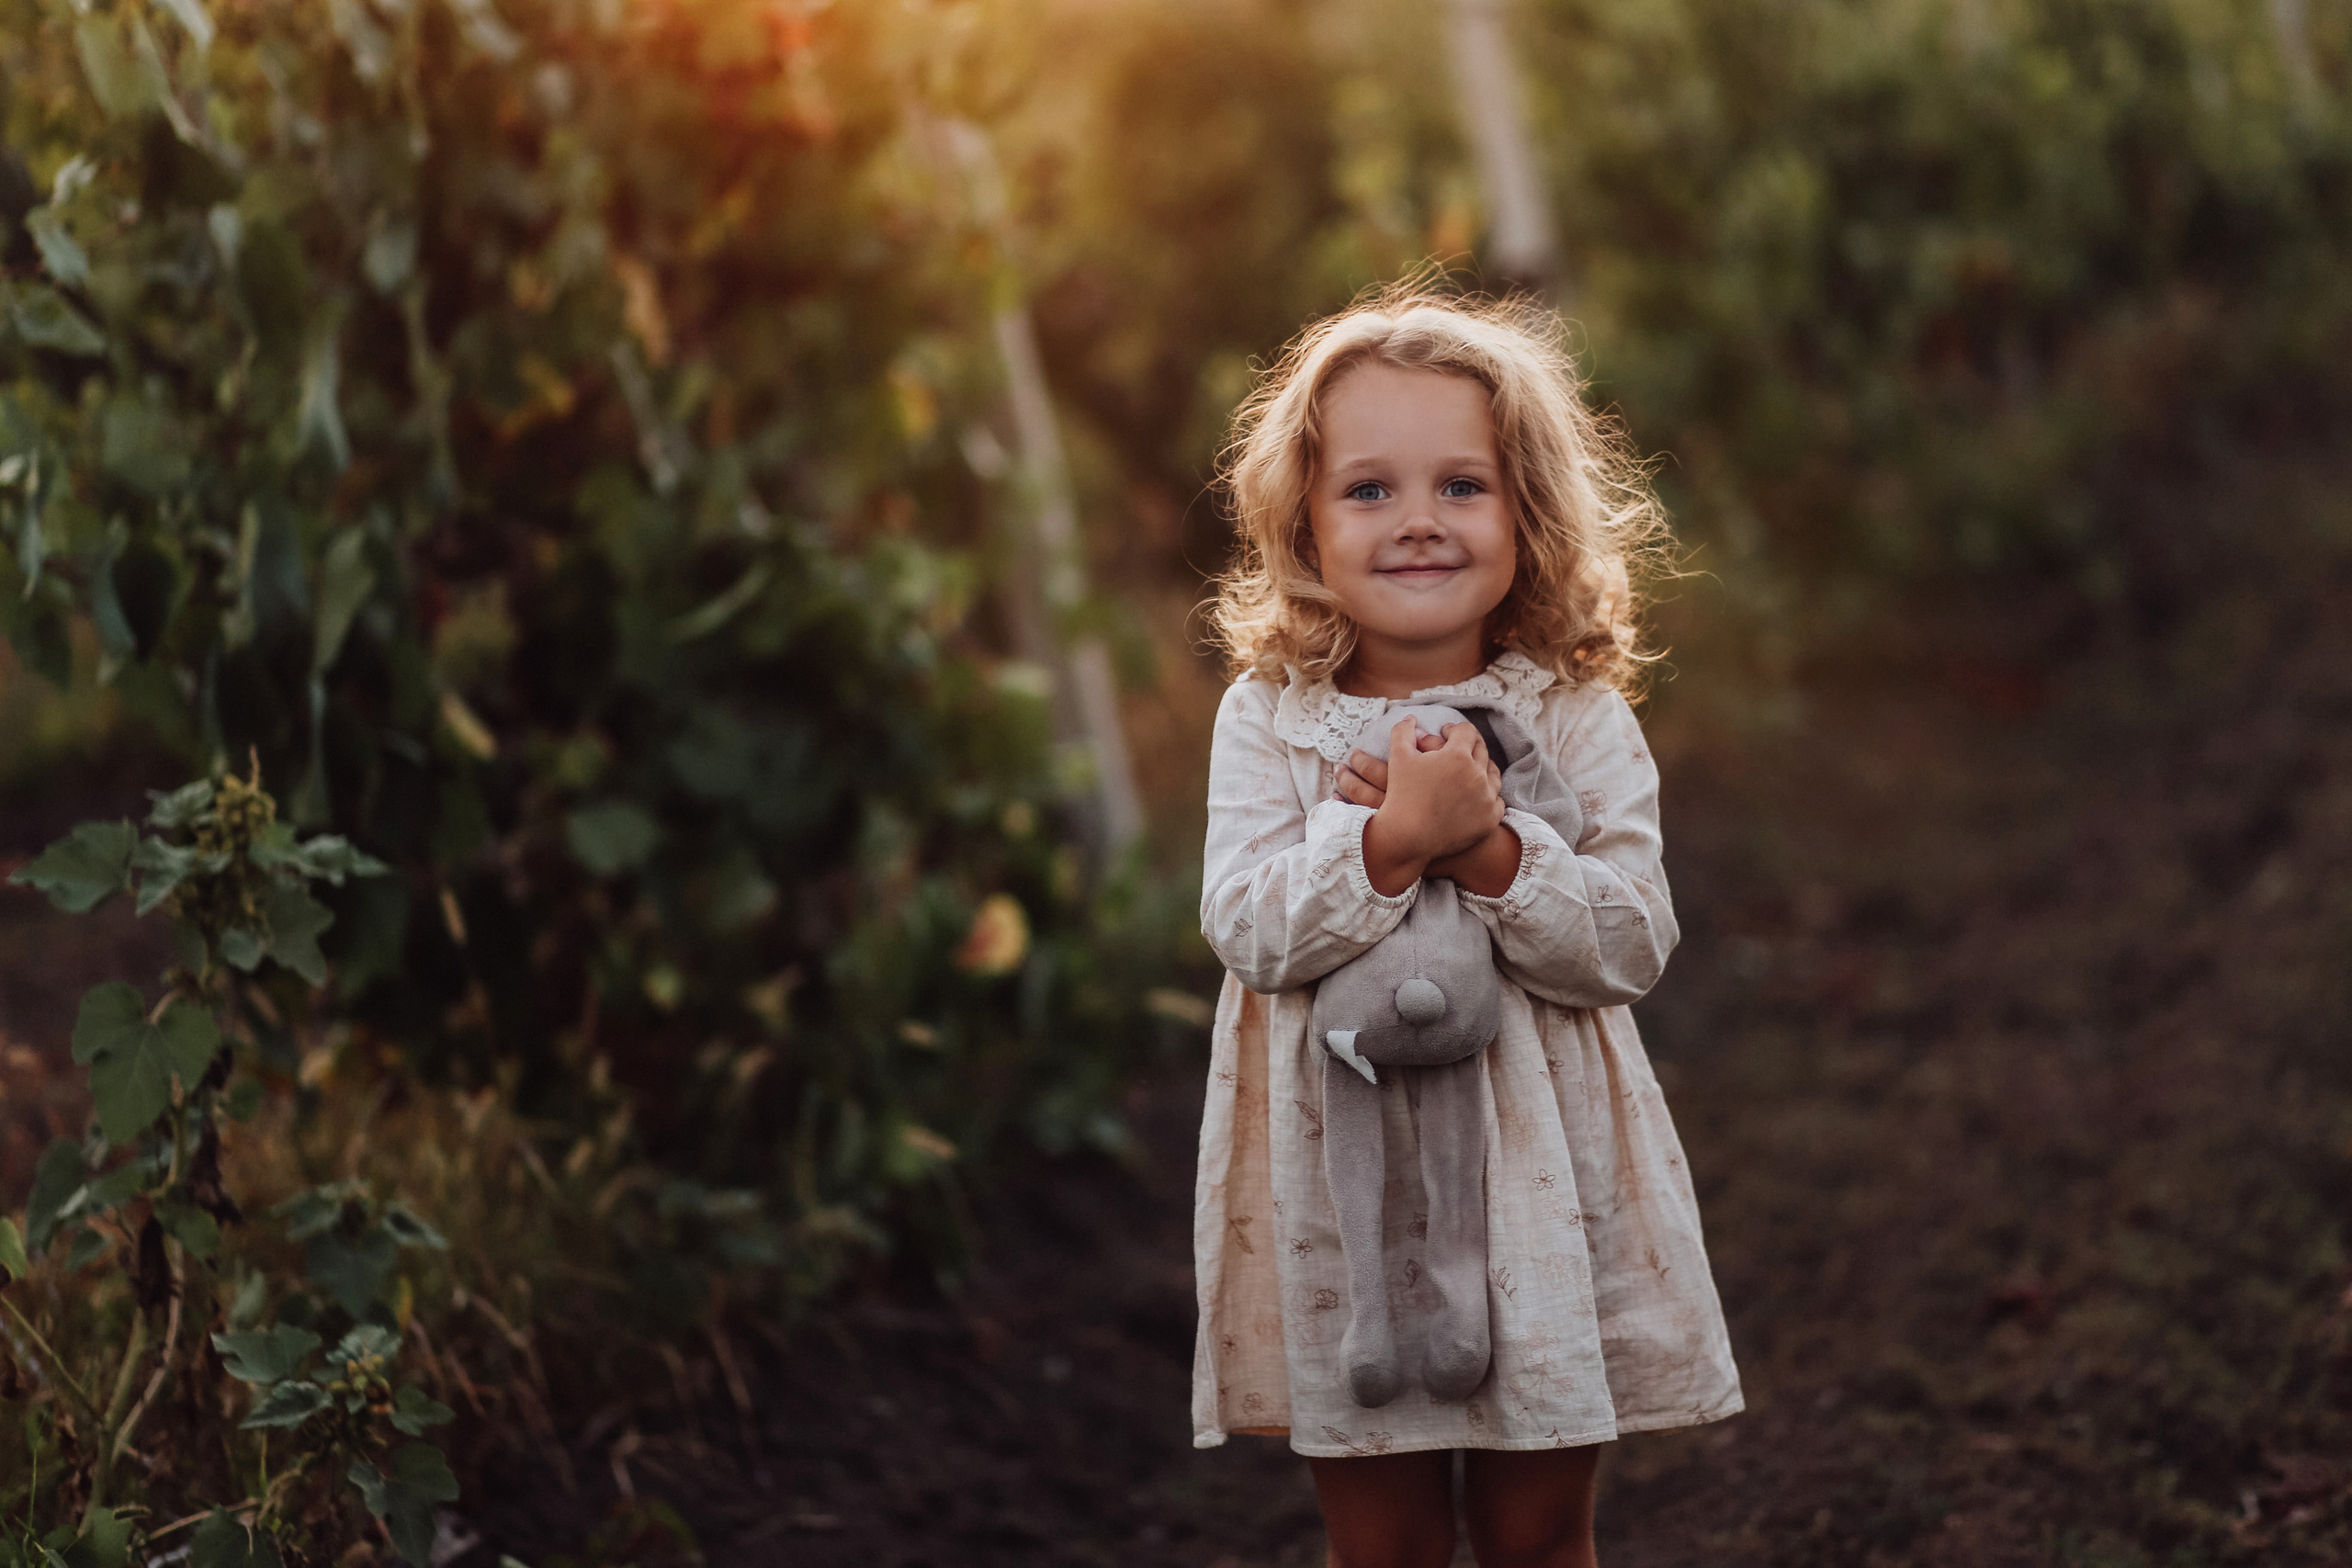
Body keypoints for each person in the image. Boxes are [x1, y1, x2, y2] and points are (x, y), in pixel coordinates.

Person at [1191, 287, 1743, 1568]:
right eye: (1370, 491)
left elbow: (1629, 939)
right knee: (1384, 1548)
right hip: (1345, 1186)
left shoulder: (1572, 714)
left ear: (1527, 513)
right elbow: (1247, 928)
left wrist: (1485, 845)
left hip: (1539, 1176)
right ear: (1302, 525)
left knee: (1540, 1534)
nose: (1420, 520)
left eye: (1463, 485)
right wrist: (1389, 843)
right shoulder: (1269, 719)